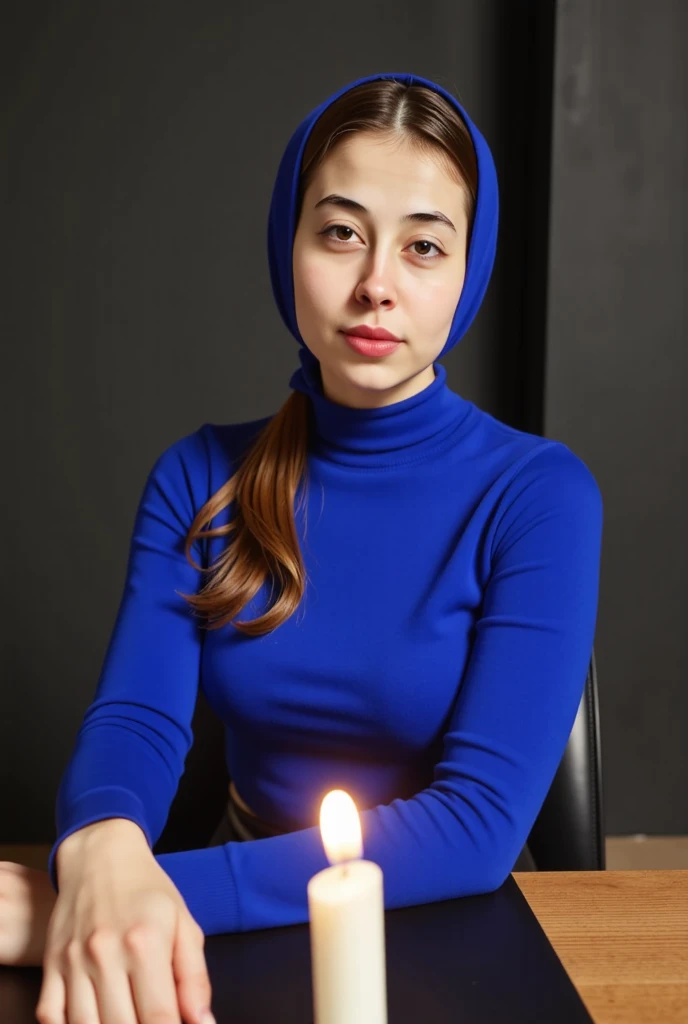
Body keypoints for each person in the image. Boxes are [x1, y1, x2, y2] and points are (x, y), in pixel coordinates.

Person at [0, 71, 603, 1024]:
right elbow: (137, 721)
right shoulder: (200, 472)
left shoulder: (538, 493)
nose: (377, 284)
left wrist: (127, 906)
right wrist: (103, 859)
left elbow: (476, 828)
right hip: (227, 921)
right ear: (289, 245)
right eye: (340, 232)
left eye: (423, 246)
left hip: (448, 918)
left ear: (468, 270)